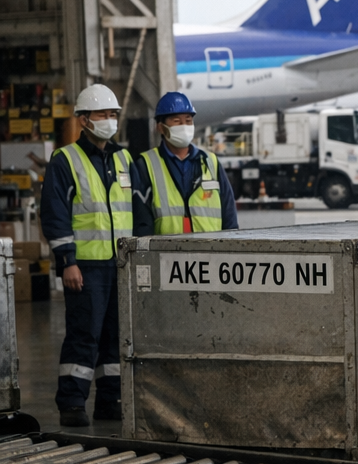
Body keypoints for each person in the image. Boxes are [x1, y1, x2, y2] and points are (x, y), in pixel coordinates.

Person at [41, 84, 139, 427]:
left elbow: (136, 212)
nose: (109, 121)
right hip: (85, 266)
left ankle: (110, 401)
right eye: (102, 115)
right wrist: (67, 261)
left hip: (121, 264)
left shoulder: (124, 158)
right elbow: (54, 214)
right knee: (85, 335)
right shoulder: (65, 160)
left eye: (113, 115)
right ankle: (71, 402)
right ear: (84, 120)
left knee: (115, 337)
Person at [133, 91, 238, 236]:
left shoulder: (210, 162)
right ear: (160, 127)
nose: (184, 126)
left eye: (188, 121)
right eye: (176, 121)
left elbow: (229, 215)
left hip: (209, 254)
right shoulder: (146, 164)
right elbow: (142, 222)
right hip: (168, 255)